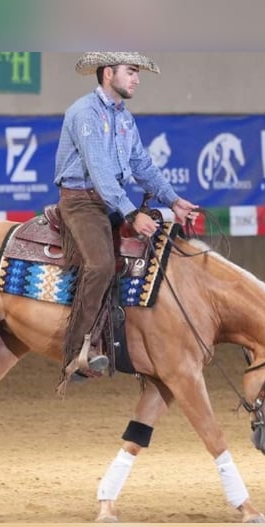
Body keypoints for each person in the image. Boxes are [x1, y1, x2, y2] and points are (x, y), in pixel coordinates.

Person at [54, 52, 199, 383]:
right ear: (108, 74)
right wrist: (131, 213)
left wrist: (174, 201)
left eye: (137, 73)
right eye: (131, 72)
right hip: (81, 202)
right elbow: (100, 170)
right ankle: (75, 351)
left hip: (107, 201)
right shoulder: (85, 113)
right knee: (101, 264)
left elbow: (143, 165)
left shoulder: (124, 118)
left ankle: (134, 343)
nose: (137, 79)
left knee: (147, 257)